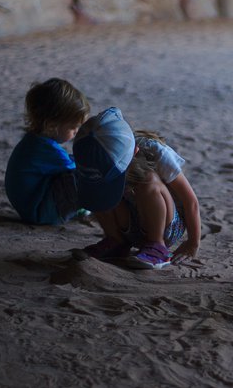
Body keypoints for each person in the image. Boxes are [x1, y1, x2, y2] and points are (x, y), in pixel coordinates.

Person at [71, 107, 202, 270]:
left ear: (135, 151)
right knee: (98, 186)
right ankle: (115, 242)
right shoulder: (93, 156)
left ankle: (157, 246)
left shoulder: (154, 151)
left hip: (165, 225)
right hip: (128, 227)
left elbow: (190, 201)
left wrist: (192, 243)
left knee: (148, 180)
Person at [4, 78, 90, 225]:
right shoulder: (49, 151)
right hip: (40, 213)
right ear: (51, 125)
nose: (76, 131)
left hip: (30, 207)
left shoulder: (33, 141)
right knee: (88, 176)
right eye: (73, 127)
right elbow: (77, 170)